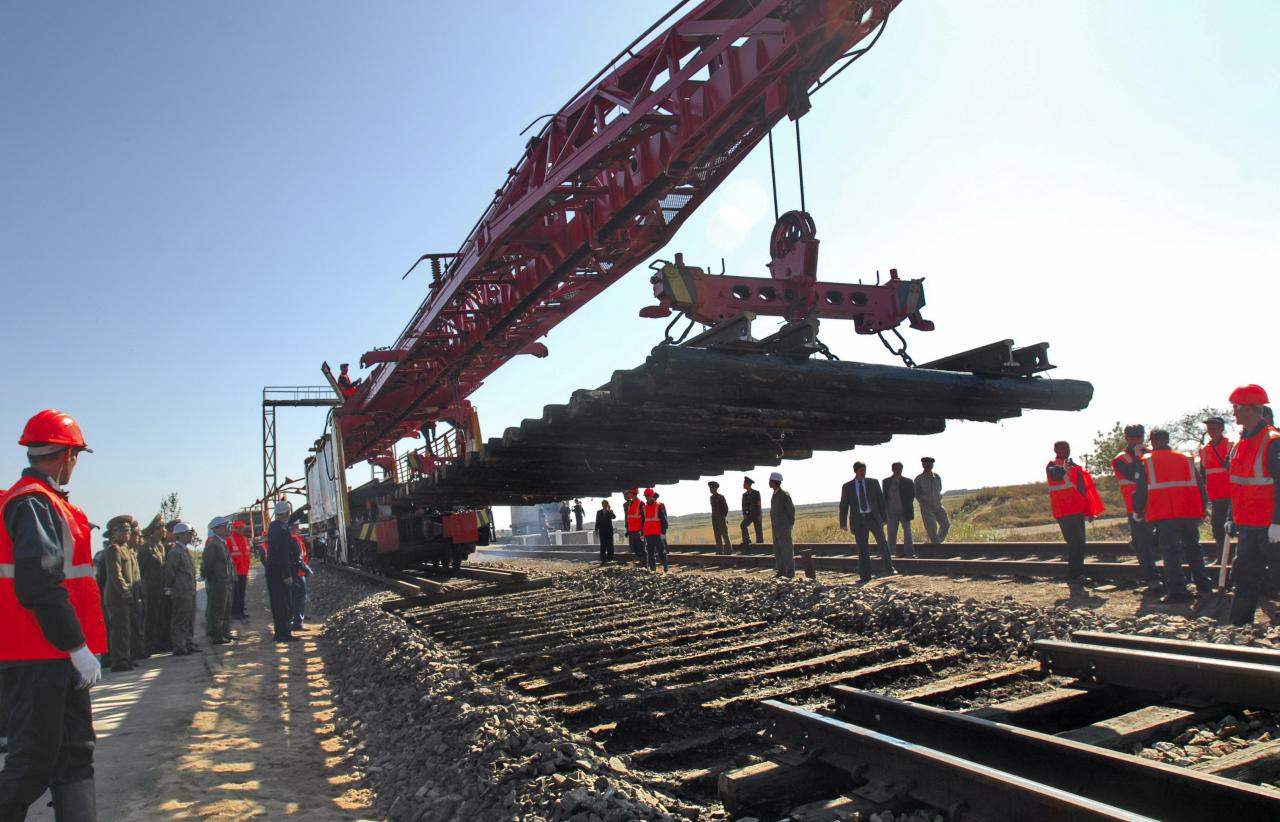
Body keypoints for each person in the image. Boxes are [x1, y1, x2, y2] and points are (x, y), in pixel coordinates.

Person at [0, 409, 105, 820]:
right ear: (65, 455)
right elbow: (38, 583)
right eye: (75, 455)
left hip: (53, 653)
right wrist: (75, 646)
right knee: (32, 762)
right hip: (38, 654)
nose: (75, 464)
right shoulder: (32, 503)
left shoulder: (45, 503)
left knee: (76, 751)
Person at [1133, 429, 1213, 604]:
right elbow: (1201, 486)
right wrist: (1203, 508)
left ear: (1152, 441)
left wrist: (1138, 509)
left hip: (1165, 513)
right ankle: (1204, 587)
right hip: (1188, 511)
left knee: (1171, 552)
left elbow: (1141, 490)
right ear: (1168, 439)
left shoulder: (1147, 462)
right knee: (1193, 548)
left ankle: (1178, 592)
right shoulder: (1186, 458)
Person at [1225, 384, 1280, 625]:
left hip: (1270, 526)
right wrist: (1230, 515)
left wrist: (1278, 522)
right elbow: (1236, 485)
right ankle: (1239, 627)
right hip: (1247, 524)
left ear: (1250, 409)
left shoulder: (1273, 441)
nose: (1234, 413)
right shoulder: (1239, 444)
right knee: (1244, 577)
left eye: (1236, 408)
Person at [1046, 440, 1100, 585]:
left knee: (1079, 542)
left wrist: (1089, 510)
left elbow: (1082, 490)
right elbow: (1056, 475)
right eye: (1062, 448)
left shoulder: (1075, 467)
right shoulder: (1052, 465)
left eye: (1067, 447)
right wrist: (1066, 467)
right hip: (1064, 511)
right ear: (1055, 450)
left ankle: (1076, 574)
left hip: (1076, 510)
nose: (1066, 450)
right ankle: (1075, 575)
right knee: (1075, 542)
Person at [1112, 425, 1160, 585]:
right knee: (1143, 544)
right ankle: (1152, 578)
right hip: (1136, 507)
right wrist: (1141, 456)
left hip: (1156, 503)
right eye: (1132, 438)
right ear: (1126, 438)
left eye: (1139, 437)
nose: (1136, 441)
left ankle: (1137, 544)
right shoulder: (1121, 459)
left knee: (1159, 539)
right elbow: (1134, 475)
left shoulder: (1151, 454)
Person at [840, 461, 896, 582]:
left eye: (864, 470)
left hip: (873, 518)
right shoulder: (848, 486)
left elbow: (881, 501)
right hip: (859, 520)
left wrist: (884, 518)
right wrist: (843, 523)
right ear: (855, 471)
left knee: (883, 544)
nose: (863, 473)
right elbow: (844, 505)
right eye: (861, 471)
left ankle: (890, 569)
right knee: (863, 549)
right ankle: (865, 576)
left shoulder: (873, 483)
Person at [101, 516, 138, 672]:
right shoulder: (113, 549)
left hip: (126, 596)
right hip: (117, 597)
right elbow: (116, 575)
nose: (127, 533)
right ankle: (118, 661)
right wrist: (125, 591)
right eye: (123, 530)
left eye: (129, 530)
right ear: (114, 533)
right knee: (118, 629)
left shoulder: (126, 549)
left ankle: (125, 657)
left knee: (126, 629)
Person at [265, 502, 301, 642]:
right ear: (287, 513)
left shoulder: (274, 527)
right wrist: (287, 575)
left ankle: (281, 632)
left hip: (273, 573)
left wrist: (301, 510)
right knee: (284, 604)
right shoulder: (282, 531)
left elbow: (288, 520)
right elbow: (283, 555)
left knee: (278, 603)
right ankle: (283, 634)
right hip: (280, 574)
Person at [164, 523, 199, 655]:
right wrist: (171, 587)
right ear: (180, 535)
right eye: (188, 533)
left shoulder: (184, 550)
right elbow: (170, 572)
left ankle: (188, 643)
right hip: (181, 591)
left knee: (189, 618)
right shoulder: (175, 552)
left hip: (188, 590)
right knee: (180, 620)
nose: (190, 536)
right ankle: (179, 646)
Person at [138, 515, 171, 654]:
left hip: (160, 587)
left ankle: (158, 643)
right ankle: (147, 645)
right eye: (162, 527)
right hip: (150, 588)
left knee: (160, 616)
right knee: (150, 617)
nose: (165, 529)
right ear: (154, 530)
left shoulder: (160, 547)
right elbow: (141, 569)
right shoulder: (147, 547)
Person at [1200, 416, 1233, 547]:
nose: (1211, 431)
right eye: (1209, 429)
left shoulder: (1231, 445)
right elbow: (1203, 474)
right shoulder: (1204, 449)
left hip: (1232, 495)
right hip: (1216, 496)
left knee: (1237, 527)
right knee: (1218, 528)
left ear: (1221, 428)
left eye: (1214, 428)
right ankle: (1222, 557)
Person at [201, 517, 235, 645]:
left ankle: (225, 632)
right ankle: (217, 635)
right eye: (224, 526)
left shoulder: (222, 543)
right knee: (218, 609)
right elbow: (208, 565)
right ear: (217, 529)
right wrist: (213, 579)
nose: (227, 528)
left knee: (226, 609)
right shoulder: (213, 544)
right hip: (218, 583)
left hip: (225, 582)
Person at [883, 462, 917, 558]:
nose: (897, 470)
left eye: (899, 468)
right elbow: (884, 496)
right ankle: (890, 552)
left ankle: (909, 552)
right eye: (896, 469)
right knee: (891, 533)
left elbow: (912, 495)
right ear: (892, 469)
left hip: (904, 511)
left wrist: (906, 505)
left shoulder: (908, 481)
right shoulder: (886, 482)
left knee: (907, 532)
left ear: (902, 469)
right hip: (891, 512)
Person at [913, 458, 950, 543]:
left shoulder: (936, 477)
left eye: (930, 464)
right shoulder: (919, 478)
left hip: (938, 505)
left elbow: (939, 488)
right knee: (932, 528)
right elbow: (916, 493)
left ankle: (938, 542)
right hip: (926, 507)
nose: (928, 465)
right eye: (926, 464)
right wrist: (924, 502)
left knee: (946, 525)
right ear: (923, 465)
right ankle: (936, 546)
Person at [768, 472, 796, 578]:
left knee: (787, 550)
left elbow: (791, 511)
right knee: (778, 550)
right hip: (776, 527)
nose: (769, 482)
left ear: (774, 481)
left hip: (784, 527)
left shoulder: (784, 495)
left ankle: (790, 572)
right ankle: (781, 571)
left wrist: (789, 524)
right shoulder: (775, 494)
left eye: (770, 480)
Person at [289, 523, 312, 631]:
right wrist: (306, 570)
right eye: (298, 527)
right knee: (300, 597)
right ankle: (297, 622)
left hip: (296, 573)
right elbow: (298, 559)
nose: (299, 529)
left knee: (295, 597)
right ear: (294, 528)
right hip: (298, 573)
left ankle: (294, 620)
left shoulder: (293, 539)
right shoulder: (294, 540)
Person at [641, 488, 669, 572]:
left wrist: (663, 532)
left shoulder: (659, 506)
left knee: (661, 552)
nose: (647, 497)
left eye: (648, 496)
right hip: (648, 534)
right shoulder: (644, 508)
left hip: (657, 533)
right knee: (650, 553)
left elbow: (664, 520)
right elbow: (643, 522)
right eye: (646, 496)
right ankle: (653, 570)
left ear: (652, 496)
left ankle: (665, 567)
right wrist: (642, 534)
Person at [228, 520, 251, 619]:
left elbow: (247, 555)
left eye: (242, 528)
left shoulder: (246, 539)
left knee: (241, 592)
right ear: (234, 528)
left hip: (244, 570)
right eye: (239, 528)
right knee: (235, 593)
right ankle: (235, 612)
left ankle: (240, 611)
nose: (241, 530)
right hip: (235, 571)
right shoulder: (229, 539)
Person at [623, 489, 645, 566]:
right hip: (631, 530)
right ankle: (641, 561)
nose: (628, 495)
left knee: (641, 548)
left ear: (632, 494)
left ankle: (644, 563)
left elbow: (644, 518)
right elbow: (629, 518)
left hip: (638, 531)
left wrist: (642, 531)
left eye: (629, 493)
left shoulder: (641, 503)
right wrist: (627, 530)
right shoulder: (630, 504)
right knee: (634, 549)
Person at [739, 477, 763, 548]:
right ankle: (746, 540)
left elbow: (758, 504)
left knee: (758, 530)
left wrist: (759, 515)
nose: (743, 485)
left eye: (744, 483)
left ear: (748, 484)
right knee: (743, 525)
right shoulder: (744, 495)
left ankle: (760, 545)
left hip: (756, 514)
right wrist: (744, 514)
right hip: (749, 515)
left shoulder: (756, 493)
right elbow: (743, 506)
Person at [708, 481, 730, 553]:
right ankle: (719, 551)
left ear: (715, 488)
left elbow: (726, 508)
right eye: (710, 488)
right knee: (717, 535)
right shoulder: (711, 498)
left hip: (721, 518)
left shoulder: (721, 497)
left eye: (711, 488)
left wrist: (722, 517)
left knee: (725, 535)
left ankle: (728, 550)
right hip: (714, 519)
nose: (710, 489)